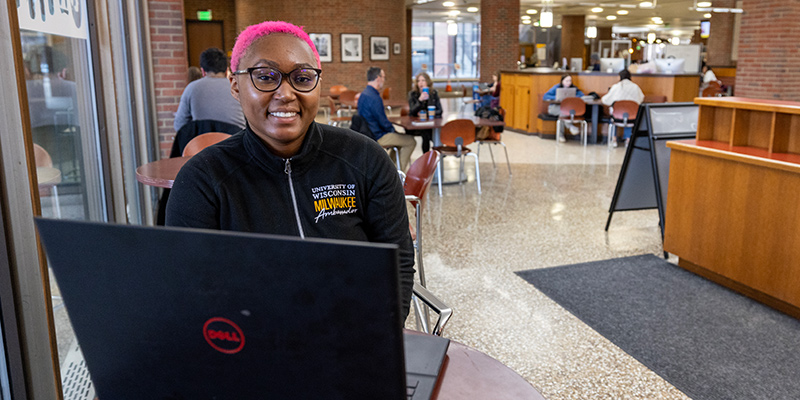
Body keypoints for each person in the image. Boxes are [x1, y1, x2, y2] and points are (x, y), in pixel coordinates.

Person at [166, 21, 415, 318]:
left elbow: (397, 261)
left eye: (302, 77)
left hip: (355, 339)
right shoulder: (202, 181)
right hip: (254, 348)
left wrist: (383, 337)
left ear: (317, 85)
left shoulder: (365, 159)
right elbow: (191, 291)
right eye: (266, 77)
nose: (286, 93)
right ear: (235, 84)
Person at [173, 47, 246, 132]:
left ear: (203, 72)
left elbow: (179, 125)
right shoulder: (238, 87)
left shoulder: (191, 88)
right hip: (237, 141)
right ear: (227, 71)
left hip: (203, 143)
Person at [358, 67, 416, 171]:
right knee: (411, 141)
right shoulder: (374, 98)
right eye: (384, 77)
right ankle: (398, 175)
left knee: (399, 142)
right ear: (378, 78)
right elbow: (383, 122)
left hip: (367, 133)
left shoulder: (364, 94)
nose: (384, 81)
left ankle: (391, 170)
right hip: (377, 136)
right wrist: (394, 131)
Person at [602, 69, 645, 147]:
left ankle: (614, 139)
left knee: (613, 116)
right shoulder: (635, 87)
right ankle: (628, 140)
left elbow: (605, 100)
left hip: (617, 116)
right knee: (630, 118)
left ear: (620, 77)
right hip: (632, 116)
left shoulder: (616, 87)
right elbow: (641, 99)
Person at [406, 72, 442, 153]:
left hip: (430, 124)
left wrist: (427, 113)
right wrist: (420, 100)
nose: (420, 83)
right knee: (426, 132)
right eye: (418, 81)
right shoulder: (413, 94)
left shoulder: (433, 93)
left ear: (428, 82)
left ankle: (435, 152)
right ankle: (433, 152)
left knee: (432, 131)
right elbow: (412, 112)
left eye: (423, 80)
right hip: (417, 125)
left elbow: (439, 110)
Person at [543, 74, 585, 141]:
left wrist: (572, 97)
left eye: (570, 81)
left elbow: (581, 95)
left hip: (565, 109)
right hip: (554, 108)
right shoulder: (556, 87)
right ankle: (570, 126)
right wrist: (557, 97)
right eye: (567, 81)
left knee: (563, 113)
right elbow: (545, 96)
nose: (569, 82)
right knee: (564, 112)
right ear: (562, 81)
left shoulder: (573, 88)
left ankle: (561, 136)